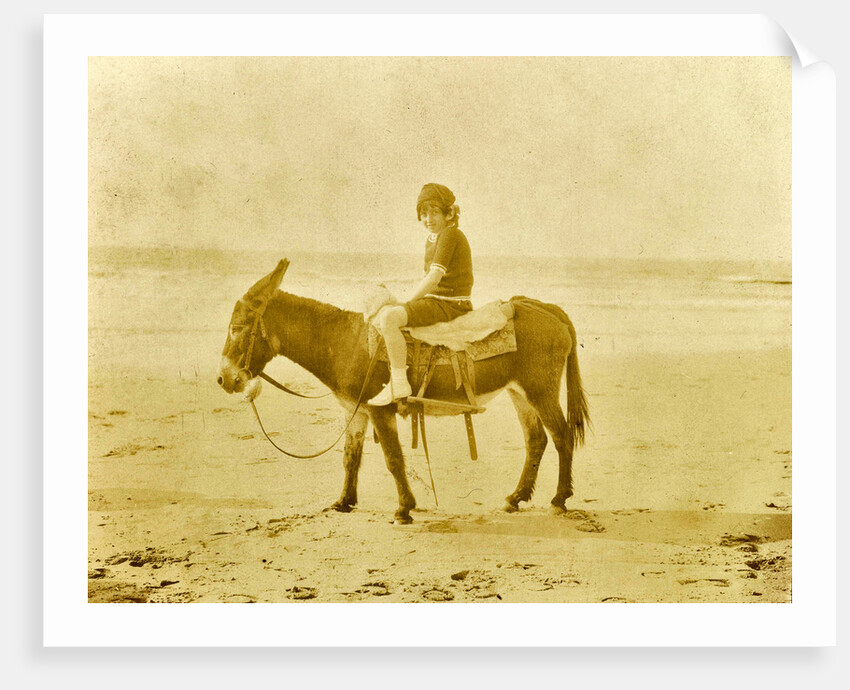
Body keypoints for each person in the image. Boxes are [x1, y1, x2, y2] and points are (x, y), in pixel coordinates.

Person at [368, 183, 474, 406]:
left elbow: (434, 278)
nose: (428, 218)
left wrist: (406, 301)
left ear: (449, 213)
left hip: (451, 305)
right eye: (424, 213)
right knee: (384, 310)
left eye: (434, 212)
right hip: (437, 301)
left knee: (389, 318)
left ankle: (399, 382)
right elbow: (431, 281)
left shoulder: (451, 234)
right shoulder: (433, 239)